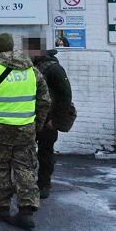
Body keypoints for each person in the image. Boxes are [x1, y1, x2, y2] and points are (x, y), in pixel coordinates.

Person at [0, 32, 51, 231]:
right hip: (25, 128)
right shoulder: (32, 71)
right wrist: (36, 125)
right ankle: (26, 211)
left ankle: (2, 206)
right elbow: (44, 101)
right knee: (25, 167)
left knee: (0, 167)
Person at [25, 37, 73, 198]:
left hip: (48, 120)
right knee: (28, 153)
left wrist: (56, 121)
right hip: (33, 118)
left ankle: (44, 184)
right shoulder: (32, 66)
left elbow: (65, 96)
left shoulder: (54, 68)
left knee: (45, 153)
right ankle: (29, 183)